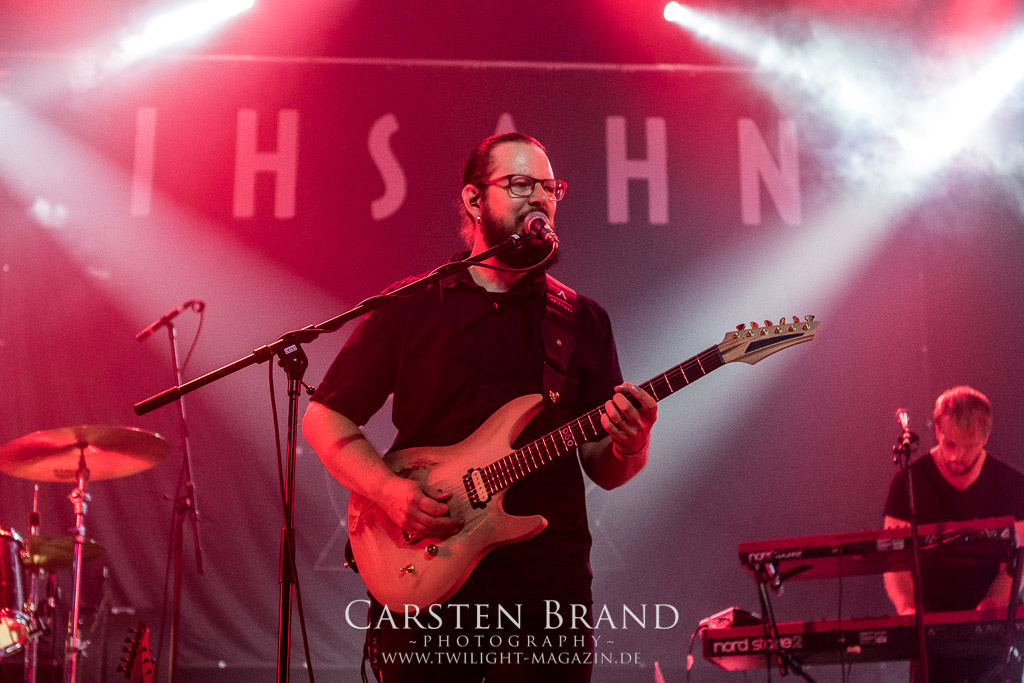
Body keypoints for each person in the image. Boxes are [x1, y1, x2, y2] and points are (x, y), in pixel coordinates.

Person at [302, 132, 657, 682]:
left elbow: (604, 468)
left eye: (550, 188)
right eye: (520, 184)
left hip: (544, 592)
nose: (540, 198)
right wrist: (390, 492)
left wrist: (632, 444)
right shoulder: (412, 304)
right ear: (473, 199)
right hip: (426, 577)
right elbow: (325, 416)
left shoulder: (581, 320)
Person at [883, 385, 1024, 683]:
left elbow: (1020, 560)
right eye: (950, 444)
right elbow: (895, 562)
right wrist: (907, 608)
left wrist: (996, 600)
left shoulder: (1012, 485)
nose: (958, 455)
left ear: (986, 437)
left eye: (969, 445)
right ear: (936, 430)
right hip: (929, 629)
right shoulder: (908, 483)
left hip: (996, 626)